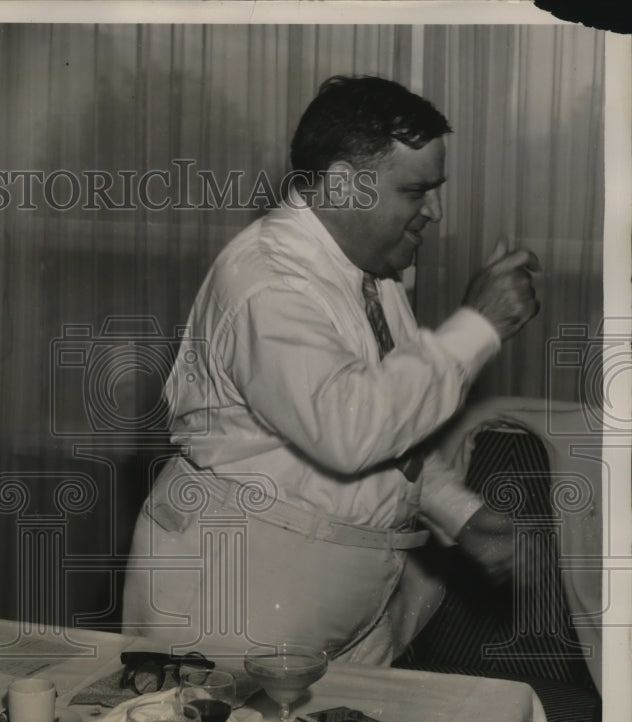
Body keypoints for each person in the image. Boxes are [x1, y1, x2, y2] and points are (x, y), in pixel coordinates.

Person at [121, 76, 540, 663]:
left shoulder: (368, 271)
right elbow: (348, 432)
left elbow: (391, 421)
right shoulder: (266, 280)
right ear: (344, 185)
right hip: (234, 597)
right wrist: (477, 325)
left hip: (349, 605)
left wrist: (462, 513)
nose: (435, 212)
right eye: (417, 191)